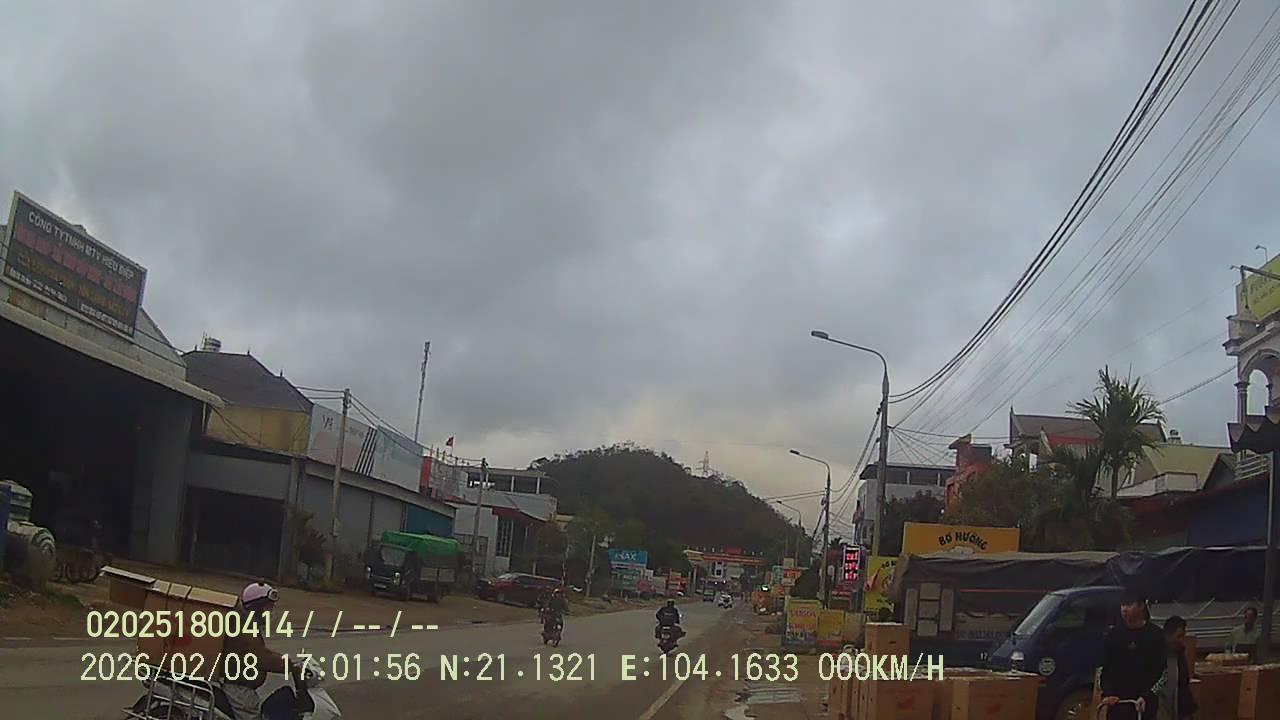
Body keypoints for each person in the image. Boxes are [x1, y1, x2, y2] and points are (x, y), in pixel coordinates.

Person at [222, 582, 300, 720]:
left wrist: (285, 659)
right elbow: (259, 657)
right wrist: (289, 665)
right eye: (267, 607)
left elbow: (260, 651)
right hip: (239, 689)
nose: (269, 612)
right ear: (256, 607)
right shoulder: (243, 628)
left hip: (241, 687)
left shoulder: (245, 623)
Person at [1100, 588, 1167, 720]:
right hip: (1117, 704)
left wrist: (1146, 696)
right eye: (1122, 605)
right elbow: (1103, 668)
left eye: (1129, 604)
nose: (1124, 609)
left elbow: (1163, 673)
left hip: (1144, 705)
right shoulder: (1113, 635)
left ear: (1141, 606)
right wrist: (1108, 693)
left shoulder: (1156, 635)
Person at [1153, 616, 1197, 720]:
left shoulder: (1179, 656)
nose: (1182, 640)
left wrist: (1187, 712)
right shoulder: (1154, 656)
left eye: (1183, 636)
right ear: (1167, 635)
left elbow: (1183, 686)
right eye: (1179, 636)